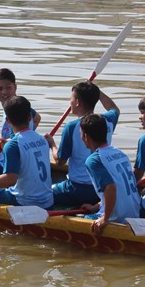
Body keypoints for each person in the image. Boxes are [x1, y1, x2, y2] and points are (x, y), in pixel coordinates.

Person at [0, 96, 53, 208]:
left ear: (7, 120)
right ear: (29, 118)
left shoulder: (13, 145)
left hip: (24, 202)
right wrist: (7, 145)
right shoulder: (43, 140)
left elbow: (10, 180)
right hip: (48, 201)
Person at [46, 80, 120, 208]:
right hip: (100, 188)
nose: (70, 102)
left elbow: (60, 161)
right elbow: (114, 109)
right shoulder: (106, 121)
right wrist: (96, 91)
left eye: (72, 99)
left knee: (43, 193)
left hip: (77, 189)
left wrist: (51, 144)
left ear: (78, 102)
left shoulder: (72, 126)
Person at [80, 113, 141, 234]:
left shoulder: (94, 160)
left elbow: (111, 188)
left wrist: (105, 218)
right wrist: (95, 207)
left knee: (78, 217)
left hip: (118, 218)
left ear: (85, 136)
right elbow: (120, 186)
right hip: (135, 214)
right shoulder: (120, 153)